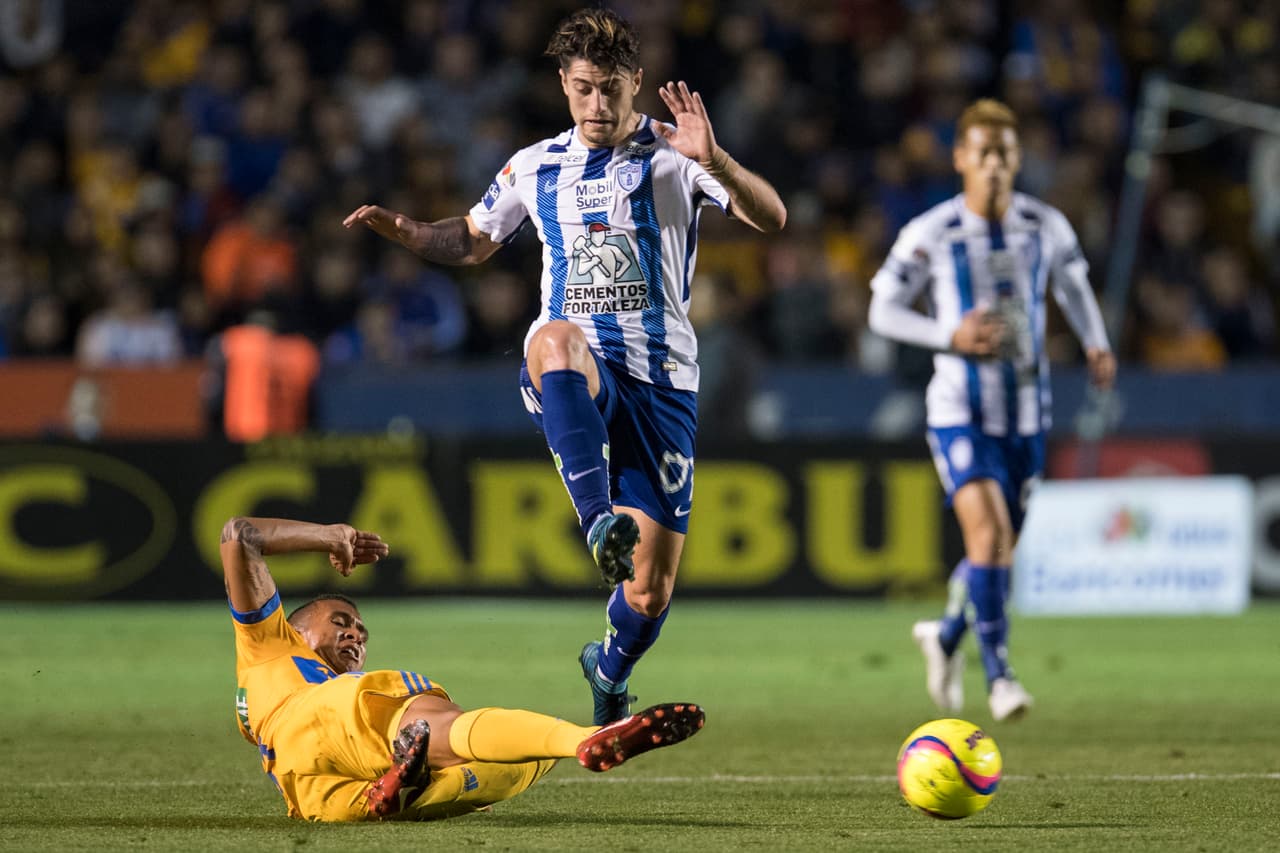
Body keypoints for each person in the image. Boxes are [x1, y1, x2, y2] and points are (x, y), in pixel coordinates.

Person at [343, 7, 786, 725]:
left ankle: (608, 666)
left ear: (636, 83)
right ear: (563, 83)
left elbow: (772, 217)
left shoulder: (677, 156)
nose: (599, 105)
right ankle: (595, 521)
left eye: (611, 88)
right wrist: (406, 231)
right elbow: (473, 238)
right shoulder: (534, 165)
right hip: (578, 367)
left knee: (650, 591)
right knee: (552, 337)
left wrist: (715, 158)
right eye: (584, 88)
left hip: (663, 381)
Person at [867, 99, 1116, 722]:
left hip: (1028, 413)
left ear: (1018, 158)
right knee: (991, 536)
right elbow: (882, 311)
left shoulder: (1045, 224)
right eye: (982, 154)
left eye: (1004, 154)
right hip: (959, 409)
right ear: (960, 160)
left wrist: (1096, 342)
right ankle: (1000, 676)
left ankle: (946, 634)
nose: (994, 165)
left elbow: (1073, 285)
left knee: (995, 552)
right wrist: (948, 336)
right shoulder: (933, 231)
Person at [222, 515, 705, 822]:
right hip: (326, 716)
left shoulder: (262, 692)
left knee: (518, 763)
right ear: (297, 629)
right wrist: (327, 535)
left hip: (307, 790)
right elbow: (239, 535)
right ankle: (585, 737)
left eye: (362, 632)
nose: (357, 635)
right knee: (450, 731)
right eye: (341, 623)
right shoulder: (271, 645)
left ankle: (397, 792)